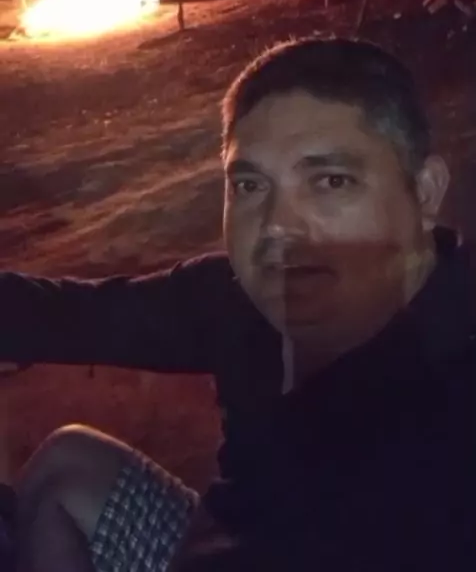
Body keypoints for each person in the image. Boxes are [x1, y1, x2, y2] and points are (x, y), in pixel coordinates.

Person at [1, 36, 475, 572]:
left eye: (331, 181)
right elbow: (70, 316)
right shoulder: (235, 299)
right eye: (250, 185)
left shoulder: (452, 383)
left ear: (425, 192)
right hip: (236, 532)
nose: (277, 226)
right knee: (70, 465)